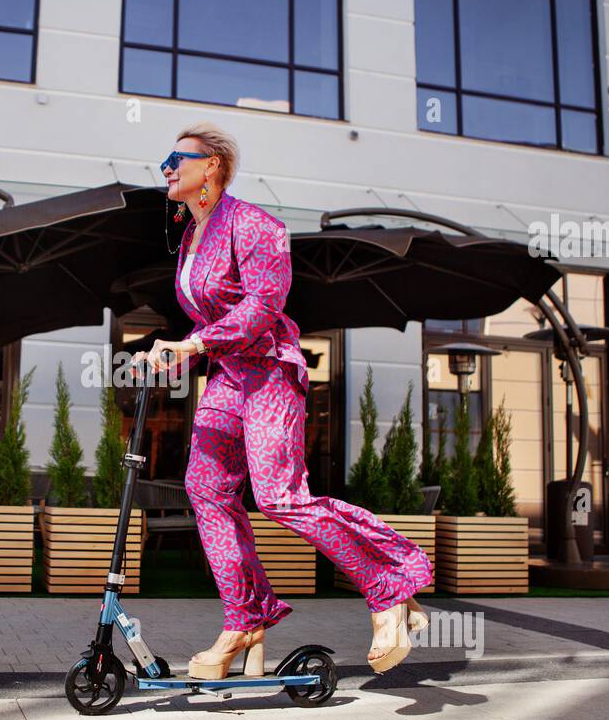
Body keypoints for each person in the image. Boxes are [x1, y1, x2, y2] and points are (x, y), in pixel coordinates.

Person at [131, 122, 434, 679]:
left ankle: (389, 587)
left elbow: (262, 308)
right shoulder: (189, 239)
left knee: (280, 497)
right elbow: (212, 319)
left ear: (213, 166)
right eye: (166, 160)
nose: (167, 168)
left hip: (270, 372)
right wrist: (178, 351)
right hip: (225, 377)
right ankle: (244, 619)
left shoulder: (256, 224)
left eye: (178, 157)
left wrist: (195, 341)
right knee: (206, 489)